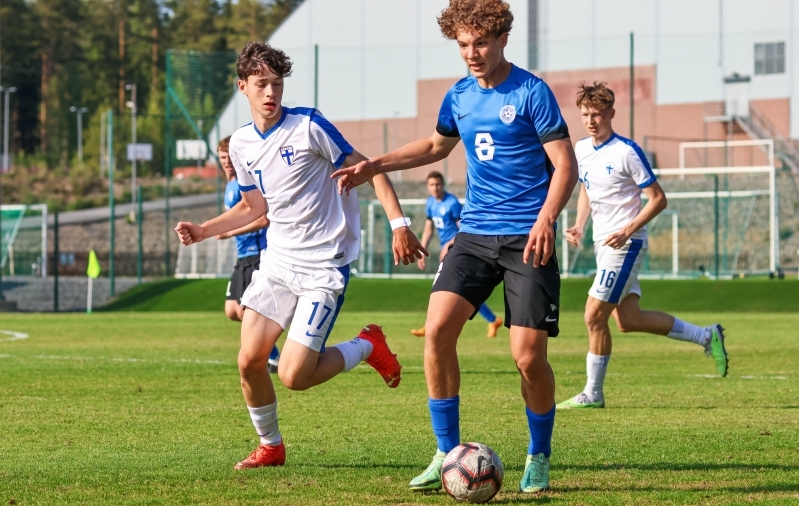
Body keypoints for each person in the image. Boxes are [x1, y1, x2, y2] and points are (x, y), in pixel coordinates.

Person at [332, 0, 578, 493]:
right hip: (474, 234)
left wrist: (547, 218)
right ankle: (446, 452)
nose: (472, 53)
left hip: (527, 238)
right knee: (438, 329)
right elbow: (434, 147)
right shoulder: (460, 95)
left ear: (503, 39)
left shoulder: (532, 92)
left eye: (480, 43)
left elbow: (566, 165)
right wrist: (374, 164)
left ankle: (540, 455)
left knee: (528, 357)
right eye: (463, 44)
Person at [175, 41, 427, 470]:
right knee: (249, 361)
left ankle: (366, 345)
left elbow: (368, 169)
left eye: (277, 84)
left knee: (293, 376)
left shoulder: (309, 125)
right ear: (243, 87)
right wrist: (204, 230)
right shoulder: (239, 144)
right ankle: (271, 446)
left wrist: (399, 224)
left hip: (323, 267)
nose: (271, 93)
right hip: (278, 262)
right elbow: (255, 207)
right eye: (261, 85)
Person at [556, 82, 728, 410]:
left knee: (593, 315)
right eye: (585, 114)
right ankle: (707, 336)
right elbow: (587, 190)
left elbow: (658, 199)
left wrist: (627, 229)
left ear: (611, 114)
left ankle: (593, 393)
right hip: (604, 244)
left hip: (626, 245)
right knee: (628, 319)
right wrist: (579, 224)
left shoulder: (626, 151)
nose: (591, 120)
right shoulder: (581, 150)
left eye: (597, 114)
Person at [215, 135, 280, 373]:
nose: (227, 161)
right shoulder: (229, 187)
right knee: (232, 310)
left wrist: (230, 231)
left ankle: (272, 357)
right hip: (243, 255)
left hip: (257, 253)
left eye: (230, 156)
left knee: (246, 310)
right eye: (222, 157)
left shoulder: (245, 184)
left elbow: (263, 219)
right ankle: (271, 352)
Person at [411, 171, 503, 338]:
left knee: (445, 288)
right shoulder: (430, 203)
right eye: (432, 185)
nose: (435, 188)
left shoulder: (452, 202)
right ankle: (492, 319)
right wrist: (422, 250)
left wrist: (449, 244)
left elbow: (464, 227)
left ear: (443, 184)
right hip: (446, 250)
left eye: (438, 184)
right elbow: (428, 228)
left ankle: (429, 326)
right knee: (458, 290)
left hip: (456, 249)